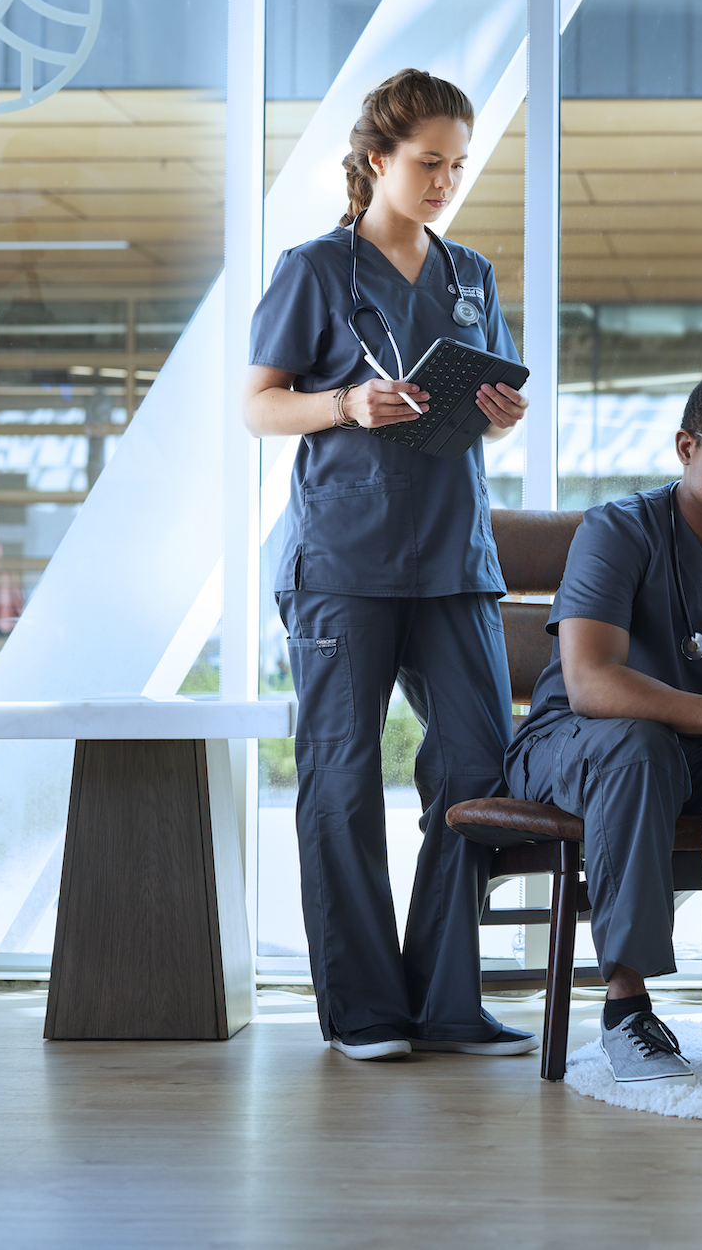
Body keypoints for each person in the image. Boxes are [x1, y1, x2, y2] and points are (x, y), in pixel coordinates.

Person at [243, 68, 535, 1062]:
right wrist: (345, 404)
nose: (446, 180)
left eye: (458, 165)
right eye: (428, 162)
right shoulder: (316, 268)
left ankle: (448, 998)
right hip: (344, 560)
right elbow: (258, 403)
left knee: (476, 764)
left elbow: (480, 394)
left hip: (454, 557)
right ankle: (365, 1009)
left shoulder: (471, 275)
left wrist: (501, 408)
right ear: (377, 161)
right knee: (340, 776)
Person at [504, 373, 702, 1084]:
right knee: (640, 749)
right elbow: (591, 683)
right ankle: (627, 1011)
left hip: (701, 750)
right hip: (573, 743)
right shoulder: (618, 530)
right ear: (687, 446)